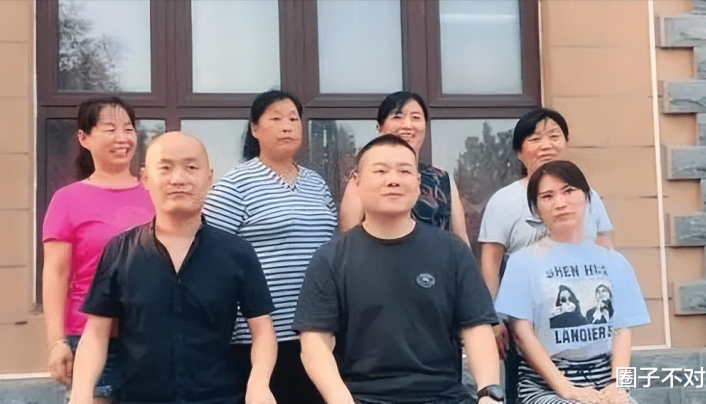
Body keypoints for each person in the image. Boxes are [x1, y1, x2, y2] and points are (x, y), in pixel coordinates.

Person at [68, 132, 277, 404]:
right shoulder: (120, 250)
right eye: (165, 168)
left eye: (191, 167)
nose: (178, 179)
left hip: (219, 397)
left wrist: (259, 383)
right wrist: (81, 393)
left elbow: (262, 330)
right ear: (145, 178)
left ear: (209, 177)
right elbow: (96, 332)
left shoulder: (237, 253)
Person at [294, 135, 504, 404]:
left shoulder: (452, 251)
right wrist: (339, 398)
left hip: (443, 396)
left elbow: (476, 328)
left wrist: (488, 393)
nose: (393, 180)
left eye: (404, 171)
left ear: (417, 182)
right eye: (380, 171)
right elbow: (315, 340)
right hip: (363, 397)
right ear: (356, 182)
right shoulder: (331, 258)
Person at [203, 90, 336, 404]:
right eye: (275, 119)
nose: (287, 126)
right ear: (254, 128)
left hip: (316, 334)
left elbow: (333, 248)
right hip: (257, 337)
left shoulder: (316, 184)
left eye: (293, 119)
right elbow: (209, 253)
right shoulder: (235, 185)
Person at [478, 108, 614, 403]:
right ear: (519, 152)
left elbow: (607, 252)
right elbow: (491, 263)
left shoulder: (590, 197)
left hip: (588, 333)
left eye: (554, 136)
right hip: (528, 329)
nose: (546, 145)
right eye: (535, 139)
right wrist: (493, 319)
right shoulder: (504, 201)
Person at [495, 160, 649, 404]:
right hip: (545, 382)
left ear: (587, 198)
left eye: (568, 191)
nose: (560, 203)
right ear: (535, 208)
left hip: (605, 378)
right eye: (547, 196)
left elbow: (623, 332)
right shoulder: (522, 262)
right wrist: (566, 389)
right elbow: (522, 335)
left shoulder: (615, 262)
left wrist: (619, 386)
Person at [42, 97, 154, 402]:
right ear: (84, 137)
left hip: (150, 336)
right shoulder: (68, 199)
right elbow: (56, 273)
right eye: (110, 129)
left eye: (128, 129)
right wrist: (56, 342)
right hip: (89, 336)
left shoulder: (155, 192)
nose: (122, 138)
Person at [338, 91, 470, 244]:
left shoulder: (441, 179)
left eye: (416, 117)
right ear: (379, 127)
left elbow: (460, 239)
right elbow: (349, 237)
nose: (407, 125)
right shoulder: (363, 177)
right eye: (397, 117)